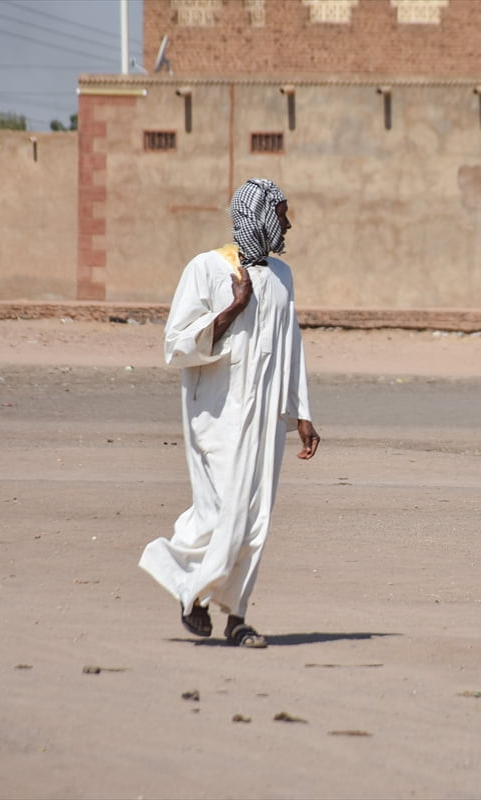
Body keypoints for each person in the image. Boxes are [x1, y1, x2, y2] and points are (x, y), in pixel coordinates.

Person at [139, 178, 320, 649]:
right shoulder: (206, 270)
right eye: (281, 213)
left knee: (255, 517)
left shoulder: (282, 277)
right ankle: (187, 586)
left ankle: (236, 616)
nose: (288, 223)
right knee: (221, 511)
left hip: (263, 423)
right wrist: (234, 307)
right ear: (257, 214)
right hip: (216, 417)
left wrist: (301, 412)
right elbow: (176, 345)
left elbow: (291, 344)